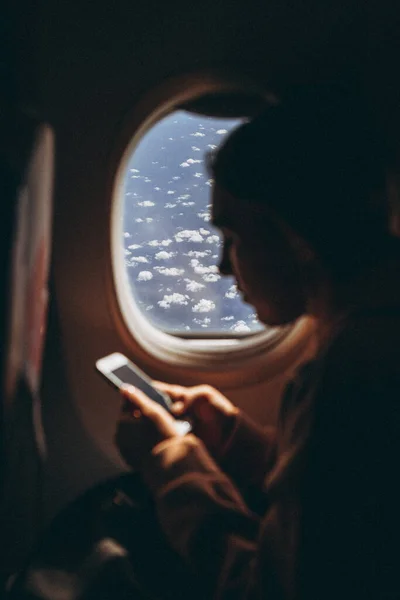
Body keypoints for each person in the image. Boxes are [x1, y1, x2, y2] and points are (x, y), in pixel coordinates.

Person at [115, 85, 400, 600]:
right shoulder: (372, 335)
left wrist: (172, 464)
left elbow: (266, 592)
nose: (223, 267)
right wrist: (238, 442)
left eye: (234, 239)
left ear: (296, 240)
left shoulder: (347, 373)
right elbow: (346, 504)